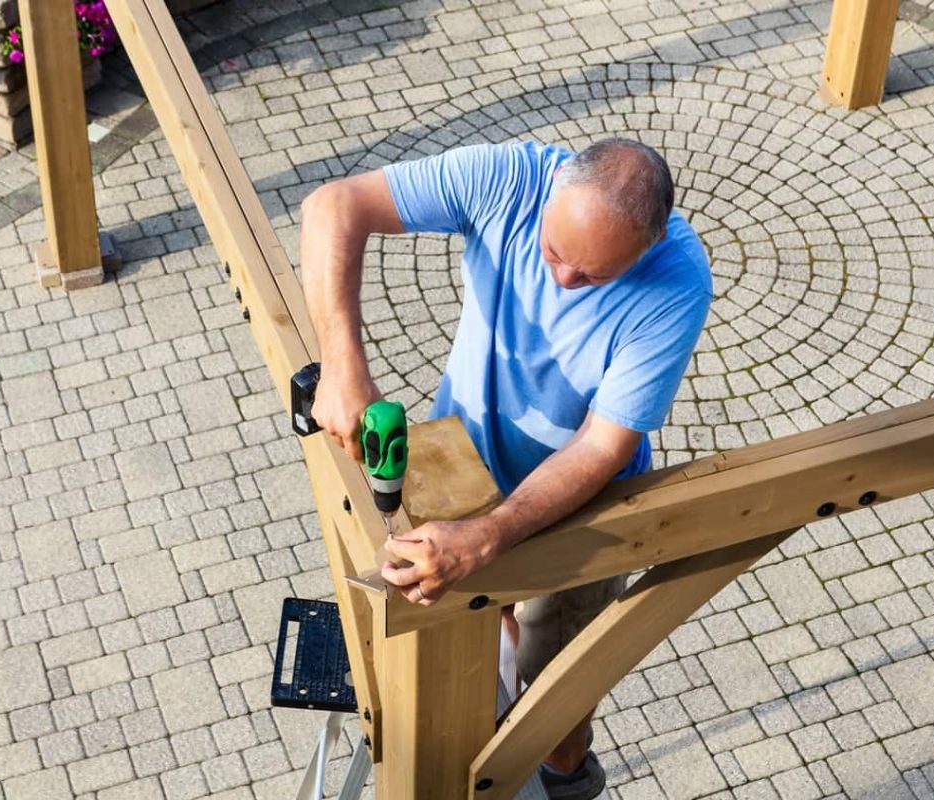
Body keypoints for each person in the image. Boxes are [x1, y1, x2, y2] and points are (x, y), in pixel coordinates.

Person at [299, 137, 711, 799]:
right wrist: (344, 366)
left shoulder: (678, 281)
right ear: (553, 196)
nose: (564, 281)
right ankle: (508, 650)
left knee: (557, 694)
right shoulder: (511, 177)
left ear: (651, 245)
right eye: (553, 252)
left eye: (595, 275)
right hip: (462, 461)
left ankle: (569, 777)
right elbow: (332, 206)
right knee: (487, 620)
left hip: (585, 507)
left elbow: (600, 449)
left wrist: (490, 536)